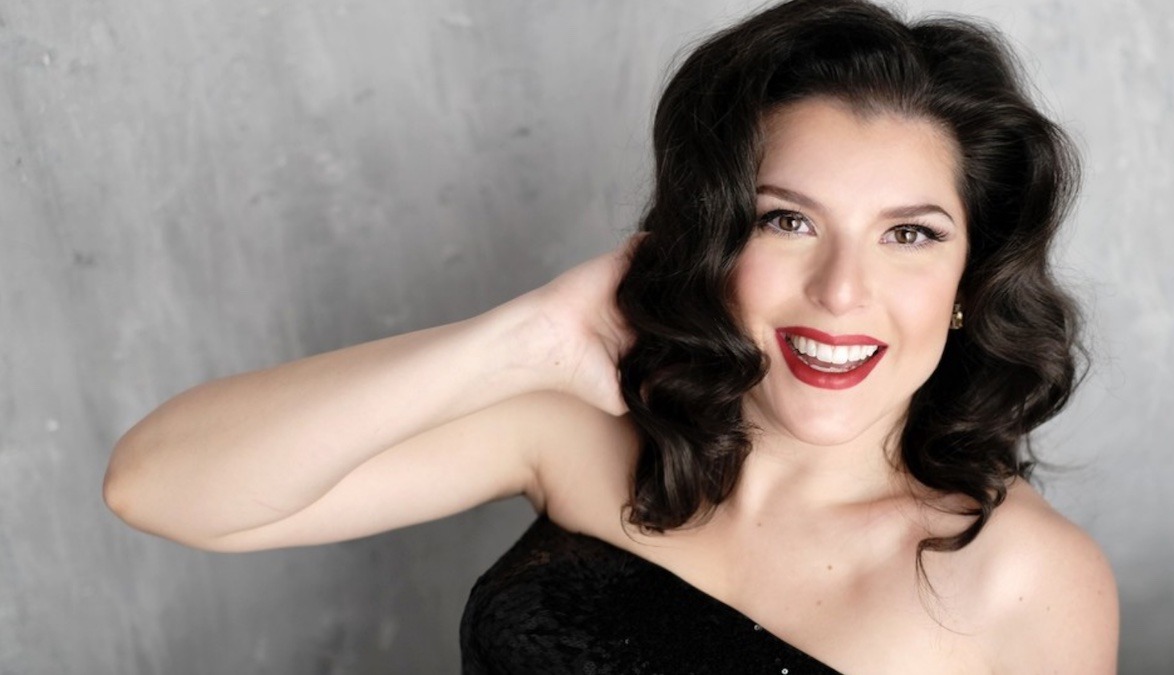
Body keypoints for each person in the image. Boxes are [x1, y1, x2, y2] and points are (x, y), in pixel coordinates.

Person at [103, 0, 1119, 672]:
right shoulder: (577, 433)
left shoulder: (1025, 577)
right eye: (786, 220)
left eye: (910, 235)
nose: (841, 291)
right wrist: (518, 339)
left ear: (968, 280)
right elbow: (157, 486)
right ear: (712, 239)